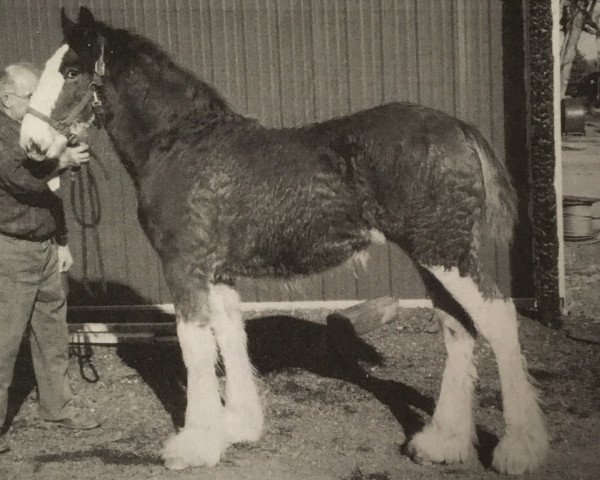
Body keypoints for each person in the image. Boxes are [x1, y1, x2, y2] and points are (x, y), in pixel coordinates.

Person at [0, 62, 100, 455]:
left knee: (52, 333)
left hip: (43, 249)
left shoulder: (32, 132)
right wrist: (63, 161)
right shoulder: (4, 135)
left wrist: (61, 242)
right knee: (5, 339)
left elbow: (50, 194)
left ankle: (56, 407)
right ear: (7, 98)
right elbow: (19, 180)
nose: (35, 102)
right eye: (29, 96)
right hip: (12, 250)